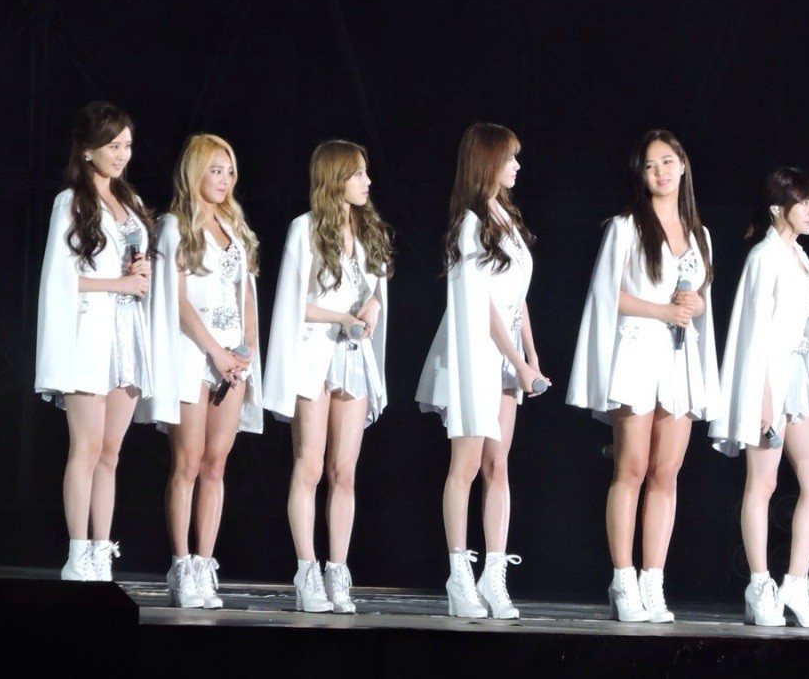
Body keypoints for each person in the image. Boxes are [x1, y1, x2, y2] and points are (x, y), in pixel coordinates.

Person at [566, 130, 721, 623]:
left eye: (668, 162)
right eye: (651, 165)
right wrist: (661, 310)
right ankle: (623, 579)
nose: (661, 172)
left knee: (666, 472)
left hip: (678, 357)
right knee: (630, 468)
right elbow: (606, 294)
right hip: (636, 351)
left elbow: (700, 301)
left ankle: (654, 581)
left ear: (683, 165)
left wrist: (694, 304)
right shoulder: (626, 227)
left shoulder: (699, 233)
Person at [416, 122, 548, 620]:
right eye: (509, 158)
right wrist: (518, 362)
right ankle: (459, 576)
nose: (517, 166)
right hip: (476, 356)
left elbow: (517, 299)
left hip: (507, 360)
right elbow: (484, 307)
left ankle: (495, 576)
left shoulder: (506, 219)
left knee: (498, 465)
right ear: (488, 161)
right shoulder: (471, 224)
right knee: (467, 465)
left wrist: (530, 356)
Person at [264, 140, 392, 614]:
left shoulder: (368, 228)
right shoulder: (305, 228)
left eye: (365, 173)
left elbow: (376, 288)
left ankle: (338, 570)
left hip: (352, 356)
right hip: (314, 354)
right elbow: (292, 303)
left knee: (344, 470)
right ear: (335, 178)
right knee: (310, 465)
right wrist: (341, 317)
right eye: (357, 173)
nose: (366, 181)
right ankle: (307, 571)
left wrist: (372, 305)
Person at [139, 133, 263, 609]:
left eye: (229, 171)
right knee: (187, 462)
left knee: (216, 464)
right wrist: (215, 351)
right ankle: (181, 565)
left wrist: (245, 350)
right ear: (195, 172)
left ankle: (205, 564)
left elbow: (245, 294)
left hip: (232, 360)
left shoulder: (234, 226)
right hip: (193, 353)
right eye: (215, 170)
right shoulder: (174, 225)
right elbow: (176, 299)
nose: (224, 179)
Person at [35, 100, 154, 582]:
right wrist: (118, 283)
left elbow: (133, 268)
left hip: (127, 335)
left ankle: (103, 550)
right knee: (85, 448)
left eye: (127, 145)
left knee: (110, 452)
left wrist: (140, 273)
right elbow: (60, 279)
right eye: (113, 145)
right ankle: (77, 551)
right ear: (87, 149)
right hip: (89, 335)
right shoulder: (70, 202)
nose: (122, 154)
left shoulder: (132, 202)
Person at [707, 167, 809, 628]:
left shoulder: (798, 255)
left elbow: (795, 321)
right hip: (767, 380)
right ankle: (760, 585)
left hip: (794, 374)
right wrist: (762, 400)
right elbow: (755, 332)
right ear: (780, 208)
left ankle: (795, 585)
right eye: (804, 202)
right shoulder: (765, 256)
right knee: (763, 483)